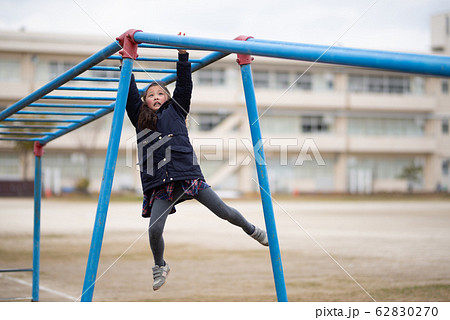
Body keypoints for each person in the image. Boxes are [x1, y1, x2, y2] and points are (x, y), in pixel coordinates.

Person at [124, 41, 268, 291]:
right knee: (154, 229)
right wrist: (127, 62)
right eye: (151, 95)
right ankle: (160, 265)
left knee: (223, 211)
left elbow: (184, 85)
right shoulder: (140, 118)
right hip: (161, 183)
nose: (156, 97)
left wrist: (182, 55)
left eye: (160, 93)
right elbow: (129, 92)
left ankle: (252, 229)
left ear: (167, 97)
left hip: (187, 175)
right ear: (144, 101)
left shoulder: (177, 110)